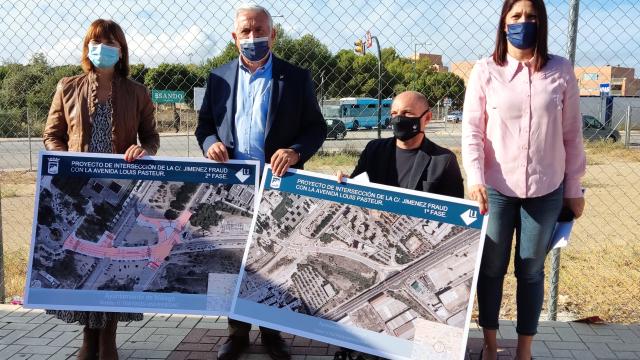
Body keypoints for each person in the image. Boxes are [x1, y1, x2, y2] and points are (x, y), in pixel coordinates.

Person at [194, 4, 327, 360]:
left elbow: (316, 127)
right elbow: (204, 126)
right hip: (232, 187)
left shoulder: (296, 77)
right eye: (246, 32)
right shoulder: (218, 77)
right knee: (233, 259)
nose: (254, 38)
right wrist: (211, 144)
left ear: (274, 33)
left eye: (260, 30)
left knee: (272, 259)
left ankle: (272, 333)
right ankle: (236, 334)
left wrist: (296, 152)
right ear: (234, 37)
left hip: (277, 187)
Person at [461, 1, 586, 359]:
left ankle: (524, 351)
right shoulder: (486, 70)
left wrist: (573, 187)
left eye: (531, 16)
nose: (523, 22)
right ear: (503, 24)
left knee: (531, 269)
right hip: (496, 190)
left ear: (541, 23)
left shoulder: (560, 70)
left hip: (546, 190)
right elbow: (472, 130)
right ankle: (489, 345)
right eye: (515, 16)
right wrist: (475, 178)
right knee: (492, 268)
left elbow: (572, 134)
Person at [43, 19, 159, 360]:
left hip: (120, 193)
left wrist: (144, 151)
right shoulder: (67, 87)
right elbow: (53, 135)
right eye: (96, 42)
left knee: (107, 263)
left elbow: (151, 138)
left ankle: (107, 338)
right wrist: (67, 165)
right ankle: (88, 338)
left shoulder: (137, 91)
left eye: (109, 43)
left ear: (120, 51)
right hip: (77, 191)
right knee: (84, 258)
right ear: (87, 49)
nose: (102, 49)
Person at [334, 91, 464, 360]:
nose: (398, 120)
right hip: (374, 249)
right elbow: (357, 196)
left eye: (406, 114)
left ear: (426, 118)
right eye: (394, 114)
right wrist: (343, 184)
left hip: (418, 256)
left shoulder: (443, 161)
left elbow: (453, 220)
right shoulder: (374, 150)